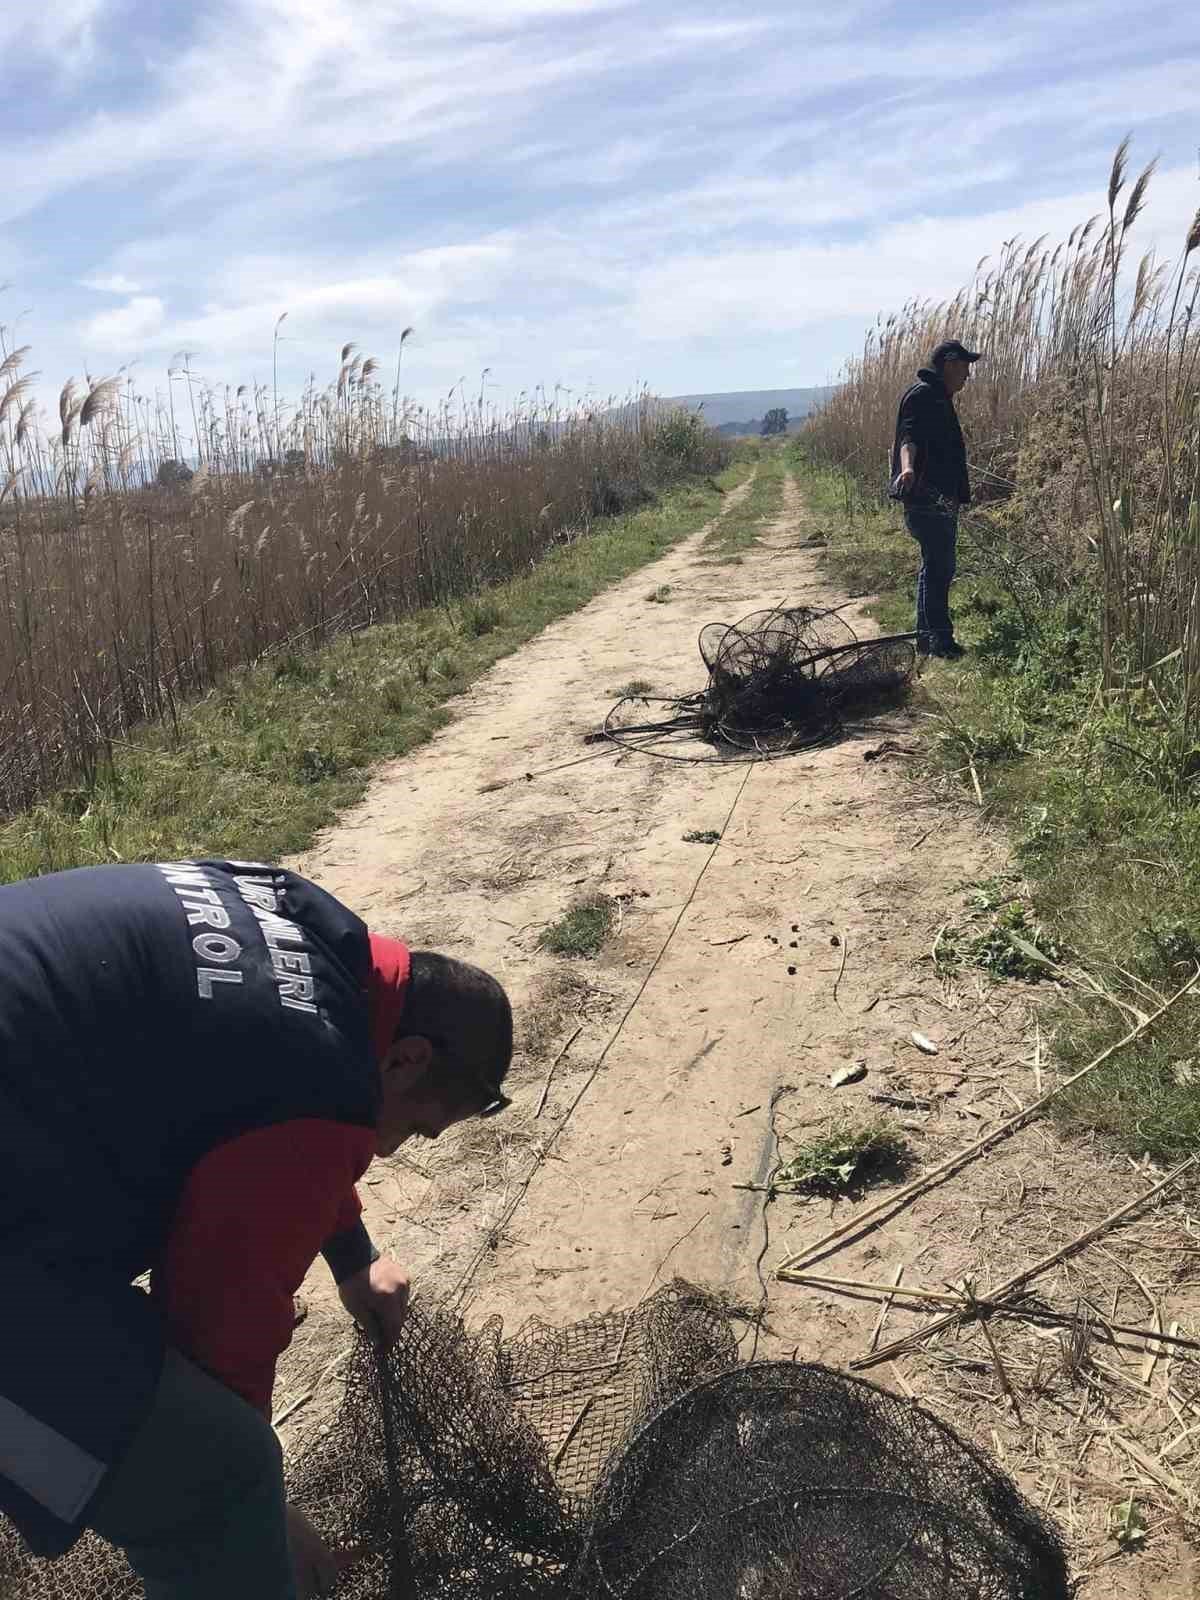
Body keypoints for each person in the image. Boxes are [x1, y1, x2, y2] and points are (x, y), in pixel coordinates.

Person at [0, 858, 513, 1599]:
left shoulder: (303, 923)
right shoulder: (322, 1077)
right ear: (406, 1058)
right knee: (218, 1480)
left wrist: (352, 1254)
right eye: (417, 1126)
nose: (389, 1148)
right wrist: (266, 1515)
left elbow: (259, 1105)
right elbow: (219, 1327)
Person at [890, 338, 982, 659]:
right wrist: (908, 469)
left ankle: (927, 639)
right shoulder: (924, 397)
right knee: (940, 568)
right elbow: (909, 438)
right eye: (965, 367)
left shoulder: (937, 396)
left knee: (934, 567)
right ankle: (942, 643)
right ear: (950, 364)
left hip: (937, 501)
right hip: (927, 501)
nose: (968, 375)